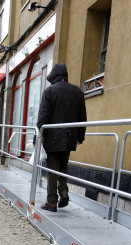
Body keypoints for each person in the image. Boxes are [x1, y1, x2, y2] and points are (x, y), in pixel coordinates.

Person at [36, 64, 87, 211]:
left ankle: (51, 202)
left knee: (52, 170)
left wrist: (39, 134)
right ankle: (63, 192)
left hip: (52, 137)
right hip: (70, 137)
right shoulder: (78, 92)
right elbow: (82, 118)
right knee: (63, 166)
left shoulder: (50, 91)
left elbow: (43, 117)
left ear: (54, 76)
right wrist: (80, 137)